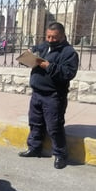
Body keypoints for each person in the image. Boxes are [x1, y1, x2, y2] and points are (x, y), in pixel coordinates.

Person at [19, 22, 79, 169]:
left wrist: (49, 66)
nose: (50, 40)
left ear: (63, 36)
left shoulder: (69, 53)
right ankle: (34, 148)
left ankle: (60, 155)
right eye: (48, 36)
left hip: (54, 96)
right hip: (37, 93)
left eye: (54, 37)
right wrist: (26, 56)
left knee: (54, 126)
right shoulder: (43, 46)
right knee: (35, 122)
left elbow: (68, 73)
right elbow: (33, 54)